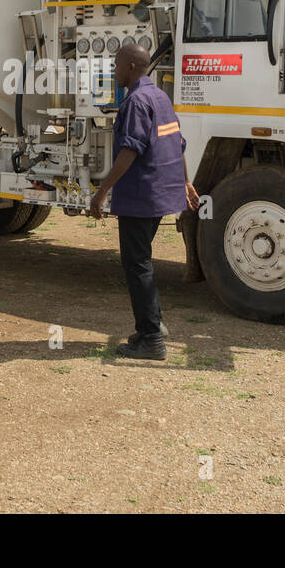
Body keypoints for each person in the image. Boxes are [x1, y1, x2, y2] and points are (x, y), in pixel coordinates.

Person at [90, 43, 200, 360]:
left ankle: (152, 339)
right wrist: (187, 182)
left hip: (141, 196)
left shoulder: (136, 101)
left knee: (137, 265)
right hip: (162, 194)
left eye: (117, 65)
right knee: (142, 263)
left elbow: (130, 151)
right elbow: (177, 144)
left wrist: (102, 191)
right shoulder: (160, 97)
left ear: (132, 68)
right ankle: (151, 327)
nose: (114, 71)